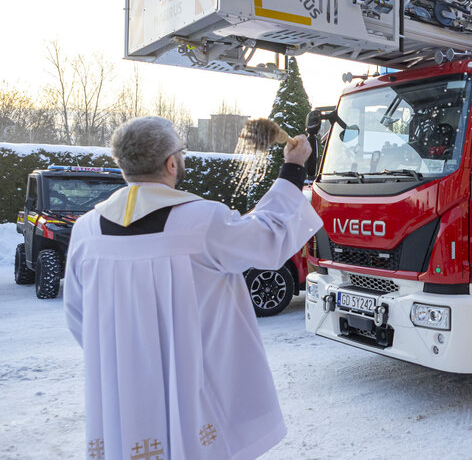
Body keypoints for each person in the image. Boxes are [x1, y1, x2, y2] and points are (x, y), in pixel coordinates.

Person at [64, 116, 321, 460]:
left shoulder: (86, 232)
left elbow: (80, 316)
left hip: (123, 391)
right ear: (172, 162)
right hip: (192, 385)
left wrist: (130, 358)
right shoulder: (202, 221)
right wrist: (293, 169)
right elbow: (269, 237)